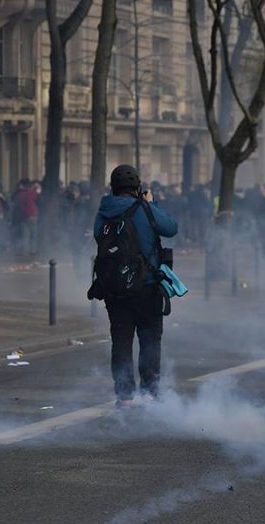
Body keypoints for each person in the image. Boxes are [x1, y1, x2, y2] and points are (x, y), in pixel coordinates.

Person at [92, 164, 178, 407]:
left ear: (113, 187)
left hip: (114, 290)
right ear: (137, 187)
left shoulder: (103, 212)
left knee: (121, 342)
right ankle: (150, 393)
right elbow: (171, 228)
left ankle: (125, 396)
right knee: (149, 339)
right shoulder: (144, 208)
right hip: (147, 286)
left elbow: (99, 237)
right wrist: (151, 204)